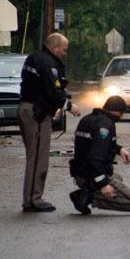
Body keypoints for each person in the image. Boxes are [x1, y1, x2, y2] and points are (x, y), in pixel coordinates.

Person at [19, 32, 81, 212]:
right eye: (64, 49)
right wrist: (69, 105)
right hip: (35, 113)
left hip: (31, 110)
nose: (65, 53)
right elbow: (52, 90)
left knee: (37, 157)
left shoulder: (37, 58)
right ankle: (32, 200)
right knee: (38, 159)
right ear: (54, 48)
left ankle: (33, 198)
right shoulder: (47, 63)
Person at [68, 96, 130, 215]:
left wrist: (119, 149)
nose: (122, 117)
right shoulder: (105, 125)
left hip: (80, 171)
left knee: (118, 178)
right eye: (122, 114)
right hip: (90, 174)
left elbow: (94, 144)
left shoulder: (89, 119)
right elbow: (95, 159)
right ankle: (87, 196)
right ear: (119, 112)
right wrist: (103, 184)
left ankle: (90, 190)